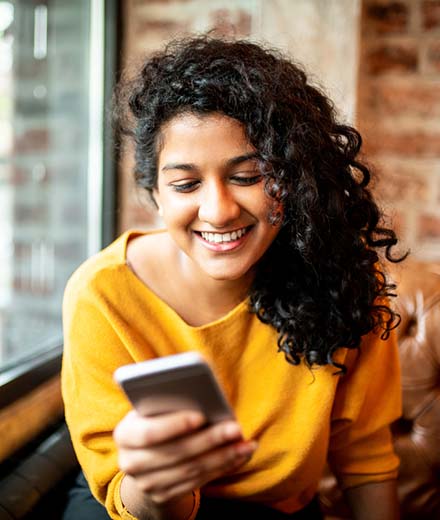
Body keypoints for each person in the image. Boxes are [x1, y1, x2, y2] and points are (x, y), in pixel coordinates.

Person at [61, 35, 405, 520]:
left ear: (294, 178)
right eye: (185, 184)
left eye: (248, 176)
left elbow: (366, 457)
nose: (218, 211)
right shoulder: (103, 294)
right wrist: (159, 482)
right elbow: (124, 494)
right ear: (156, 194)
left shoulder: (342, 276)